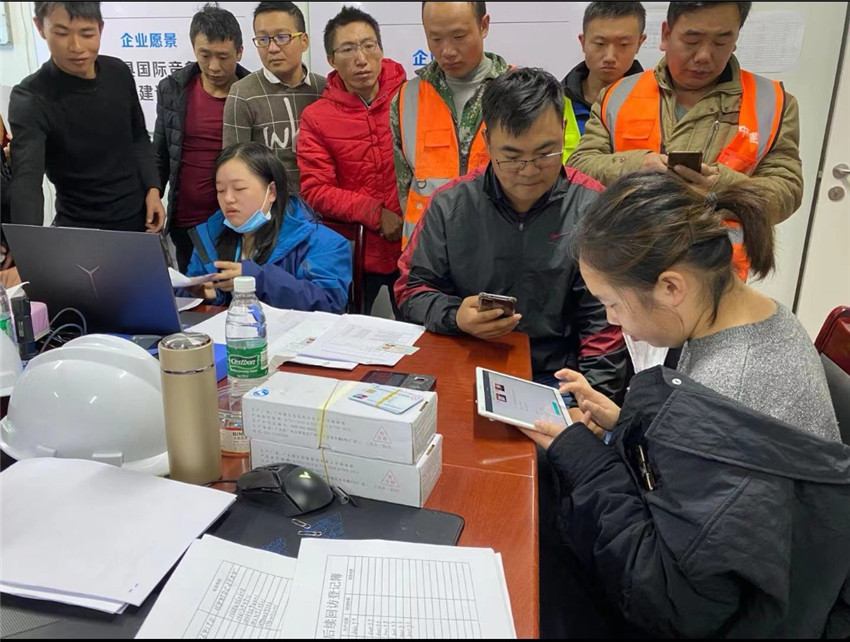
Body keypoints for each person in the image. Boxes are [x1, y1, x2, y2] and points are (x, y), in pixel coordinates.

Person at [395, 67, 628, 401]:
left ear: (563, 130)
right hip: (467, 364)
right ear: (488, 141)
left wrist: (590, 400)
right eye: (512, 157)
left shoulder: (594, 208)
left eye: (545, 153)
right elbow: (412, 289)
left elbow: (606, 322)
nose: (529, 171)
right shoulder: (450, 205)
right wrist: (456, 316)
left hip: (558, 378)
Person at [567, 1, 803, 280]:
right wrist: (638, 165)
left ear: (736, 38)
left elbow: (787, 192)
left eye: (721, 42)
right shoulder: (618, 95)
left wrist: (720, 185)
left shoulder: (772, 103)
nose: (704, 56)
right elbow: (579, 166)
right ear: (666, 35)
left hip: (716, 275)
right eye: (692, 40)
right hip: (626, 269)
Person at [9, 2, 164, 232]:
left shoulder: (118, 72)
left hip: (139, 220)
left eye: (87, 33)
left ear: (100, 28)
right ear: (40, 27)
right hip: (80, 229)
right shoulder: (31, 98)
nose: (76, 46)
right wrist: (26, 241)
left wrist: (153, 189)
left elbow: (138, 137)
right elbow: (27, 181)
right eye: (62, 33)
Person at [297, 6, 407, 316]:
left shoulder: (410, 97)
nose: (361, 59)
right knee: (350, 334)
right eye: (347, 49)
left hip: (412, 247)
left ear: (380, 49)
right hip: (355, 250)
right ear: (331, 60)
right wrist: (375, 213)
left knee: (421, 336)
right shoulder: (317, 117)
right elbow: (316, 189)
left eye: (369, 45)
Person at [391, 1, 510, 248]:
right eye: (435, 38)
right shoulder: (406, 98)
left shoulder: (518, 92)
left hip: (499, 251)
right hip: (426, 254)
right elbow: (405, 188)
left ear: (484, 25)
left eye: (459, 36)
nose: (447, 51)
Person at [184, 142, 351, 313]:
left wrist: (260, 279)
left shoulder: (324, 243)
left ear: (272, 191)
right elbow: (190, 299)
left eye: (239, 188)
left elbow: (330, 304)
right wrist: (203, 294)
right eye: (220, 190)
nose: (228, 198)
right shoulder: (210, 236)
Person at [153, 4, 250, 273]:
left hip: (236, 223)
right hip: (186, 222)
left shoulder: (252, 93)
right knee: (193, 292)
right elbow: (160, 153)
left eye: (223, 56)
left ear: (239, 52)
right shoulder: (173, 89)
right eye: (204, 55)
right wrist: (153, 195)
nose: (213, 66)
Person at [223, 1, 325, 195]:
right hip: (269, 208)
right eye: (263, 39)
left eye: (282, 37)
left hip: (321, 206)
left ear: (304, 41)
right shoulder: (242, 94)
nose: (272, 48)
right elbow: (234, 168)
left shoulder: (324, 90)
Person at [561, 1, 646, 161]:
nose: (609, 57)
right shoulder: (553, 104)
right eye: (600, 44)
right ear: (583, 42)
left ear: (639, 43)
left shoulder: (660, 103)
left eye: (623, 45)